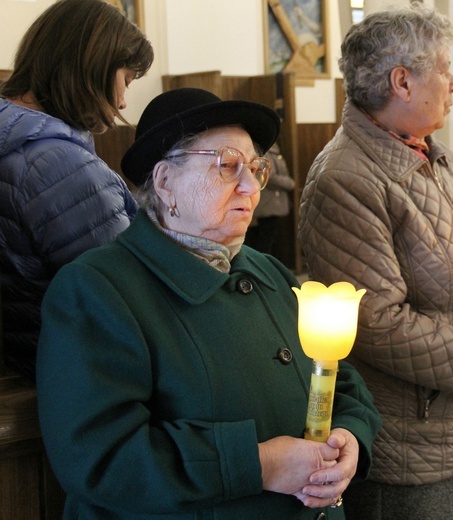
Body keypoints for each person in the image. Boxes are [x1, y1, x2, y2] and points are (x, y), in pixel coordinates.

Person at [35, 87, 382, 519]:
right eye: (228, 166)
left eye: (256, 168)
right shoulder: (97, 289)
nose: (250, 186)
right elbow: (100, 459)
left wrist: (350, 436)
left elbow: (337, 377)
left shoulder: (269, 272)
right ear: (165, 182)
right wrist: (261, 466)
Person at [298, 4, 453, 519]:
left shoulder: (432, 155)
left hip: (450, 423)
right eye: (445, 69)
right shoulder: (346, 179)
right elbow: (377, 322)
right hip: (403, 438)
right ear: (401, 82)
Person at [0, 0, 154, 379]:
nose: (122, 102)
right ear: (93, 65)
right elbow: (126, 294)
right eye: (127, 80)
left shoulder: (16, 138)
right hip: (63, 366)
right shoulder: (58, 165)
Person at [244, 141, 296, 257]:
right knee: (264, 241)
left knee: (267, 239)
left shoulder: (273, 151)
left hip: (271, 203)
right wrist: (290, 183)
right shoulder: (265, 152)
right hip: (267, 204)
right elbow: (269, 177)